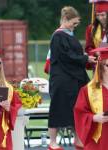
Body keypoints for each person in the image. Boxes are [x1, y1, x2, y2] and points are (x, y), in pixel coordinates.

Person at [48, 6, 96, 150]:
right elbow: (67, 57)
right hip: (62, 80)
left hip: (73, 80)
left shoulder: (69, 34)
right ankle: (52, 142)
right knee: (58, 109)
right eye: (73, 23)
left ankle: (78, 139)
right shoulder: (58, 36)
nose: (75, 26)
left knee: (75, 110)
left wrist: (85, 58)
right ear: (65, 19)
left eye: (76, 24)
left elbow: (74, 57)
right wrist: (86, 58)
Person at [74, 47, 108, 150]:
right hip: (99, 140)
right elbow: (79, 113)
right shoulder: (87, 90)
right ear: (101, 67)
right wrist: (94, 118)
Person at [85, 1, 108, 69]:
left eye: (103, 15)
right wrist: (95, 53)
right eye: (97, 15)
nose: (100, 18)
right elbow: (88, 47)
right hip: (99, 63)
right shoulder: (91, 29)